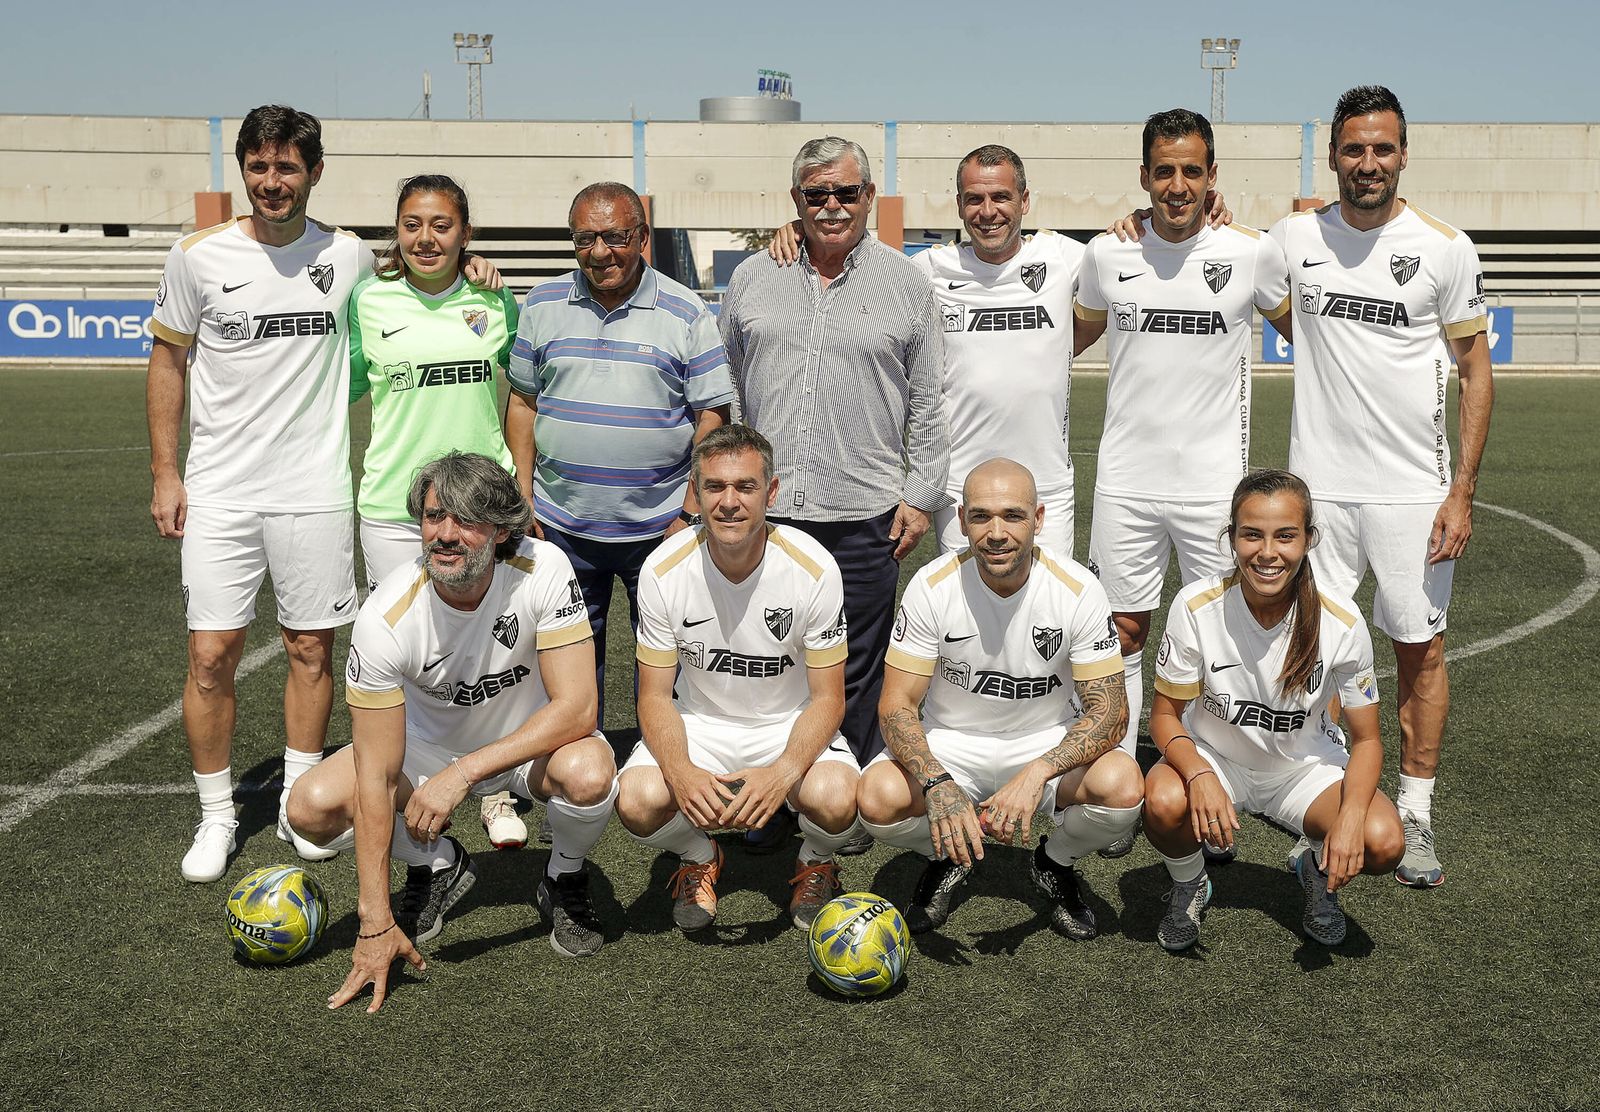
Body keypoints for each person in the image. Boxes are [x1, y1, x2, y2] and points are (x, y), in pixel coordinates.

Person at [288, 453, 618, 1013]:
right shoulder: (386, 618)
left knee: (589, 773)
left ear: (501, 529)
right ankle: (436, 863)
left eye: (466, 519)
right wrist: (374, 921)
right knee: (310, 810)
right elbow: (375, 774)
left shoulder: (544, 568)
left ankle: (562, 878)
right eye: (435, 516)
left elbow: (578, 709)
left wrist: (464, 773)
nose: (445, 534)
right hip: (424, 750)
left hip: (526, 741)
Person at [1268, 86, 1493, 888]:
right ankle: (1329, 802)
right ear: (1331, 155)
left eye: (1382, 149)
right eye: (1354, 150)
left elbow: (1474, 368)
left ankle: (1418, 814)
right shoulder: (1293, 237)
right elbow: (1252, 289)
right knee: (1315, 651)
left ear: (1403, 154)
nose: (1368, 164)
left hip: (1411, 496)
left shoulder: (1443, 247)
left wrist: (1460, 490)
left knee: (1419, 652)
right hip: (1319, 496)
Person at [146, 105, 370, 884]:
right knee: (211, 655)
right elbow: (167, 364)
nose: (272, 182)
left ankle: (297, 802)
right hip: (220, 491)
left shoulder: (349, 256)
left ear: (315, 171)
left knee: (311, 648)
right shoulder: (197, 256)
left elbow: (422, 288)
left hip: (313, 488)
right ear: (243, 168)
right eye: (259, 166)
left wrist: (477, 268)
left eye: (287, 167)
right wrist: (166, 474)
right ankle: (216, 817)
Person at [1074, 109, 1292, 794]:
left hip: (1214, 488)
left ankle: (1213, 777)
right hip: (1126, 484)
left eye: (1191, 170)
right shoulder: (1107, 254)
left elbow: (1314, 337)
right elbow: (1062, 342)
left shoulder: (1250, 253)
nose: (1176, 184)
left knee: (1221, 636)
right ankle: (1121, 773)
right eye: (1163, 171)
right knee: (1121, 634)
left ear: (1211, 177)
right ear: (1143, 177)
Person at [720, 136, 950, 775]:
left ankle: (837, 803)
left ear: (869, 197)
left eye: (845, 193)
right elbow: (733, 388)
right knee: (767, 660)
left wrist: (921, 495)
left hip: (864, 514)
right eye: (815, 195)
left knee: (854, 665)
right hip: (768, 513)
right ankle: (764, 796)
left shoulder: (906, 283)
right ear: (795, 200)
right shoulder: (754, 276)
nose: (831, 207)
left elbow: (929, 400)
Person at [861, 459, 1140, 938]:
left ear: (1039, 519)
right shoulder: (931, 587)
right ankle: (948, 853)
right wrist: (937, 783)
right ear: (963, 519)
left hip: (1042, 742)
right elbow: (896, 706)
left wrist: (1037, 773)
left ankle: (1055, 861)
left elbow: (1112, 714)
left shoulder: (1077, 589)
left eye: (1012, 515)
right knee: (875, 798)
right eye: (981, 516)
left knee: (1123, 787)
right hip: (953, 742)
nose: (996, 533)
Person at [770, 144, 1080, 555]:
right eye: (974, 199)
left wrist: (1140, 219)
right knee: (968, 610)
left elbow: (1135, 252)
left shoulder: (1068, 258)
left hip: (1048, 485)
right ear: (958, 205)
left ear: (1024, 200)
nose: (988, 212)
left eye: (1001, 197)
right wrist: (800, 229)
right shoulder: (926, 270)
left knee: (1050, 609)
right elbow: (857, 247)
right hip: (959, 487)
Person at [1144, 469, 1405, 950]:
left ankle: (1312, 865)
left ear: (1310, 539)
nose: (1267, 553)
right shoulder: (1195, 605)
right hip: (1217, 760)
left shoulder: (1341, 621)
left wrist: (1348, 819)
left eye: (1286, 536)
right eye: (1251, 535)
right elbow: (1163, 716)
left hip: (1303, 771)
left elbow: (1368, 740)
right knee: (1162, 802)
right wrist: (1199, 774)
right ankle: (1190, 881)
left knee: (1383, 840)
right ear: (1231, 538)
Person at [506, 182, 734, 732]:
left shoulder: (687, 312)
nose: (600, 252)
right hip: (561, 525)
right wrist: (523, 486)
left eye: (615, 236)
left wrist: (687, 512)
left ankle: (661, 769)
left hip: (661, 528)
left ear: (643, 238)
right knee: (567, 669)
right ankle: (578, 769)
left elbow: (712, 414)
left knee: (669, 664)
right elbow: (522, 399)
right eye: (586, 238)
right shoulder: (541, 304)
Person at [615, 426, 862, 931]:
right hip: (701, 721)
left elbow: (829, 699)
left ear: (770, 493)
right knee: (637, 802)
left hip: (787, 721)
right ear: (697, 492)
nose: (729, 503)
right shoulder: (663, 569)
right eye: (714, 487)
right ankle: (698, 856)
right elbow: (655, 697)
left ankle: (814, 859)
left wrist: (785, 771)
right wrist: (681, 771)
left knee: (838, 799)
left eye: (745, 487)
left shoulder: (814, 568)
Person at [346, 173, 528, 850]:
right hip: (397, 509)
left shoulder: (492, 296)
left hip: (483, 505)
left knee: (491, 647)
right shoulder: (368, 300)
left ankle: (496, 789)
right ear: (397, 231)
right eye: (413, 224)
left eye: (441, 224)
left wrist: (519, 482)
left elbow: (523, 393)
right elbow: (347, 387)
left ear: (466, 233)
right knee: (410, 650)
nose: (426, 238)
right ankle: (418, 780)